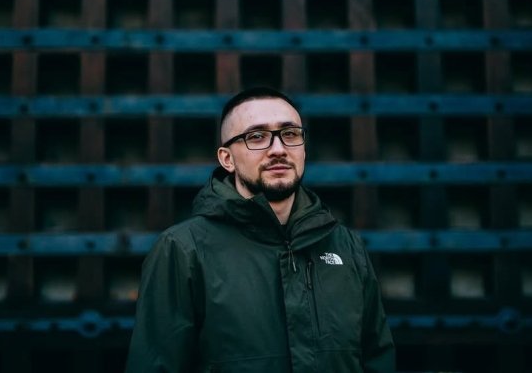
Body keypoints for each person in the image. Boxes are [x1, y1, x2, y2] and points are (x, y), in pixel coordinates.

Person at [125, 87, 395, 373]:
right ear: (227, 159)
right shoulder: (182, 250)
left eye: (290, 134)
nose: (278, 149)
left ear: (303, 149)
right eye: (256, 137)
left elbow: (377, 358)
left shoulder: (345, 245)